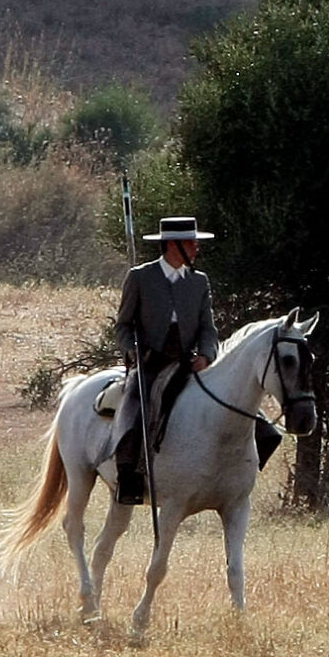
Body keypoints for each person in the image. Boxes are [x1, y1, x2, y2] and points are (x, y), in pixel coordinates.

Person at [113, 215, 219, 507]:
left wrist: (207, 354)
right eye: (190, 242)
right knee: (135, 410)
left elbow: (208, 328)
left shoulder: (199, 282)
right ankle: (129, 477)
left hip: (187, 362)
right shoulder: (140, 277)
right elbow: (123, 325)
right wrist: (132, 352)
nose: (196, 247)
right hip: (150, 361)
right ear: (173, 245)